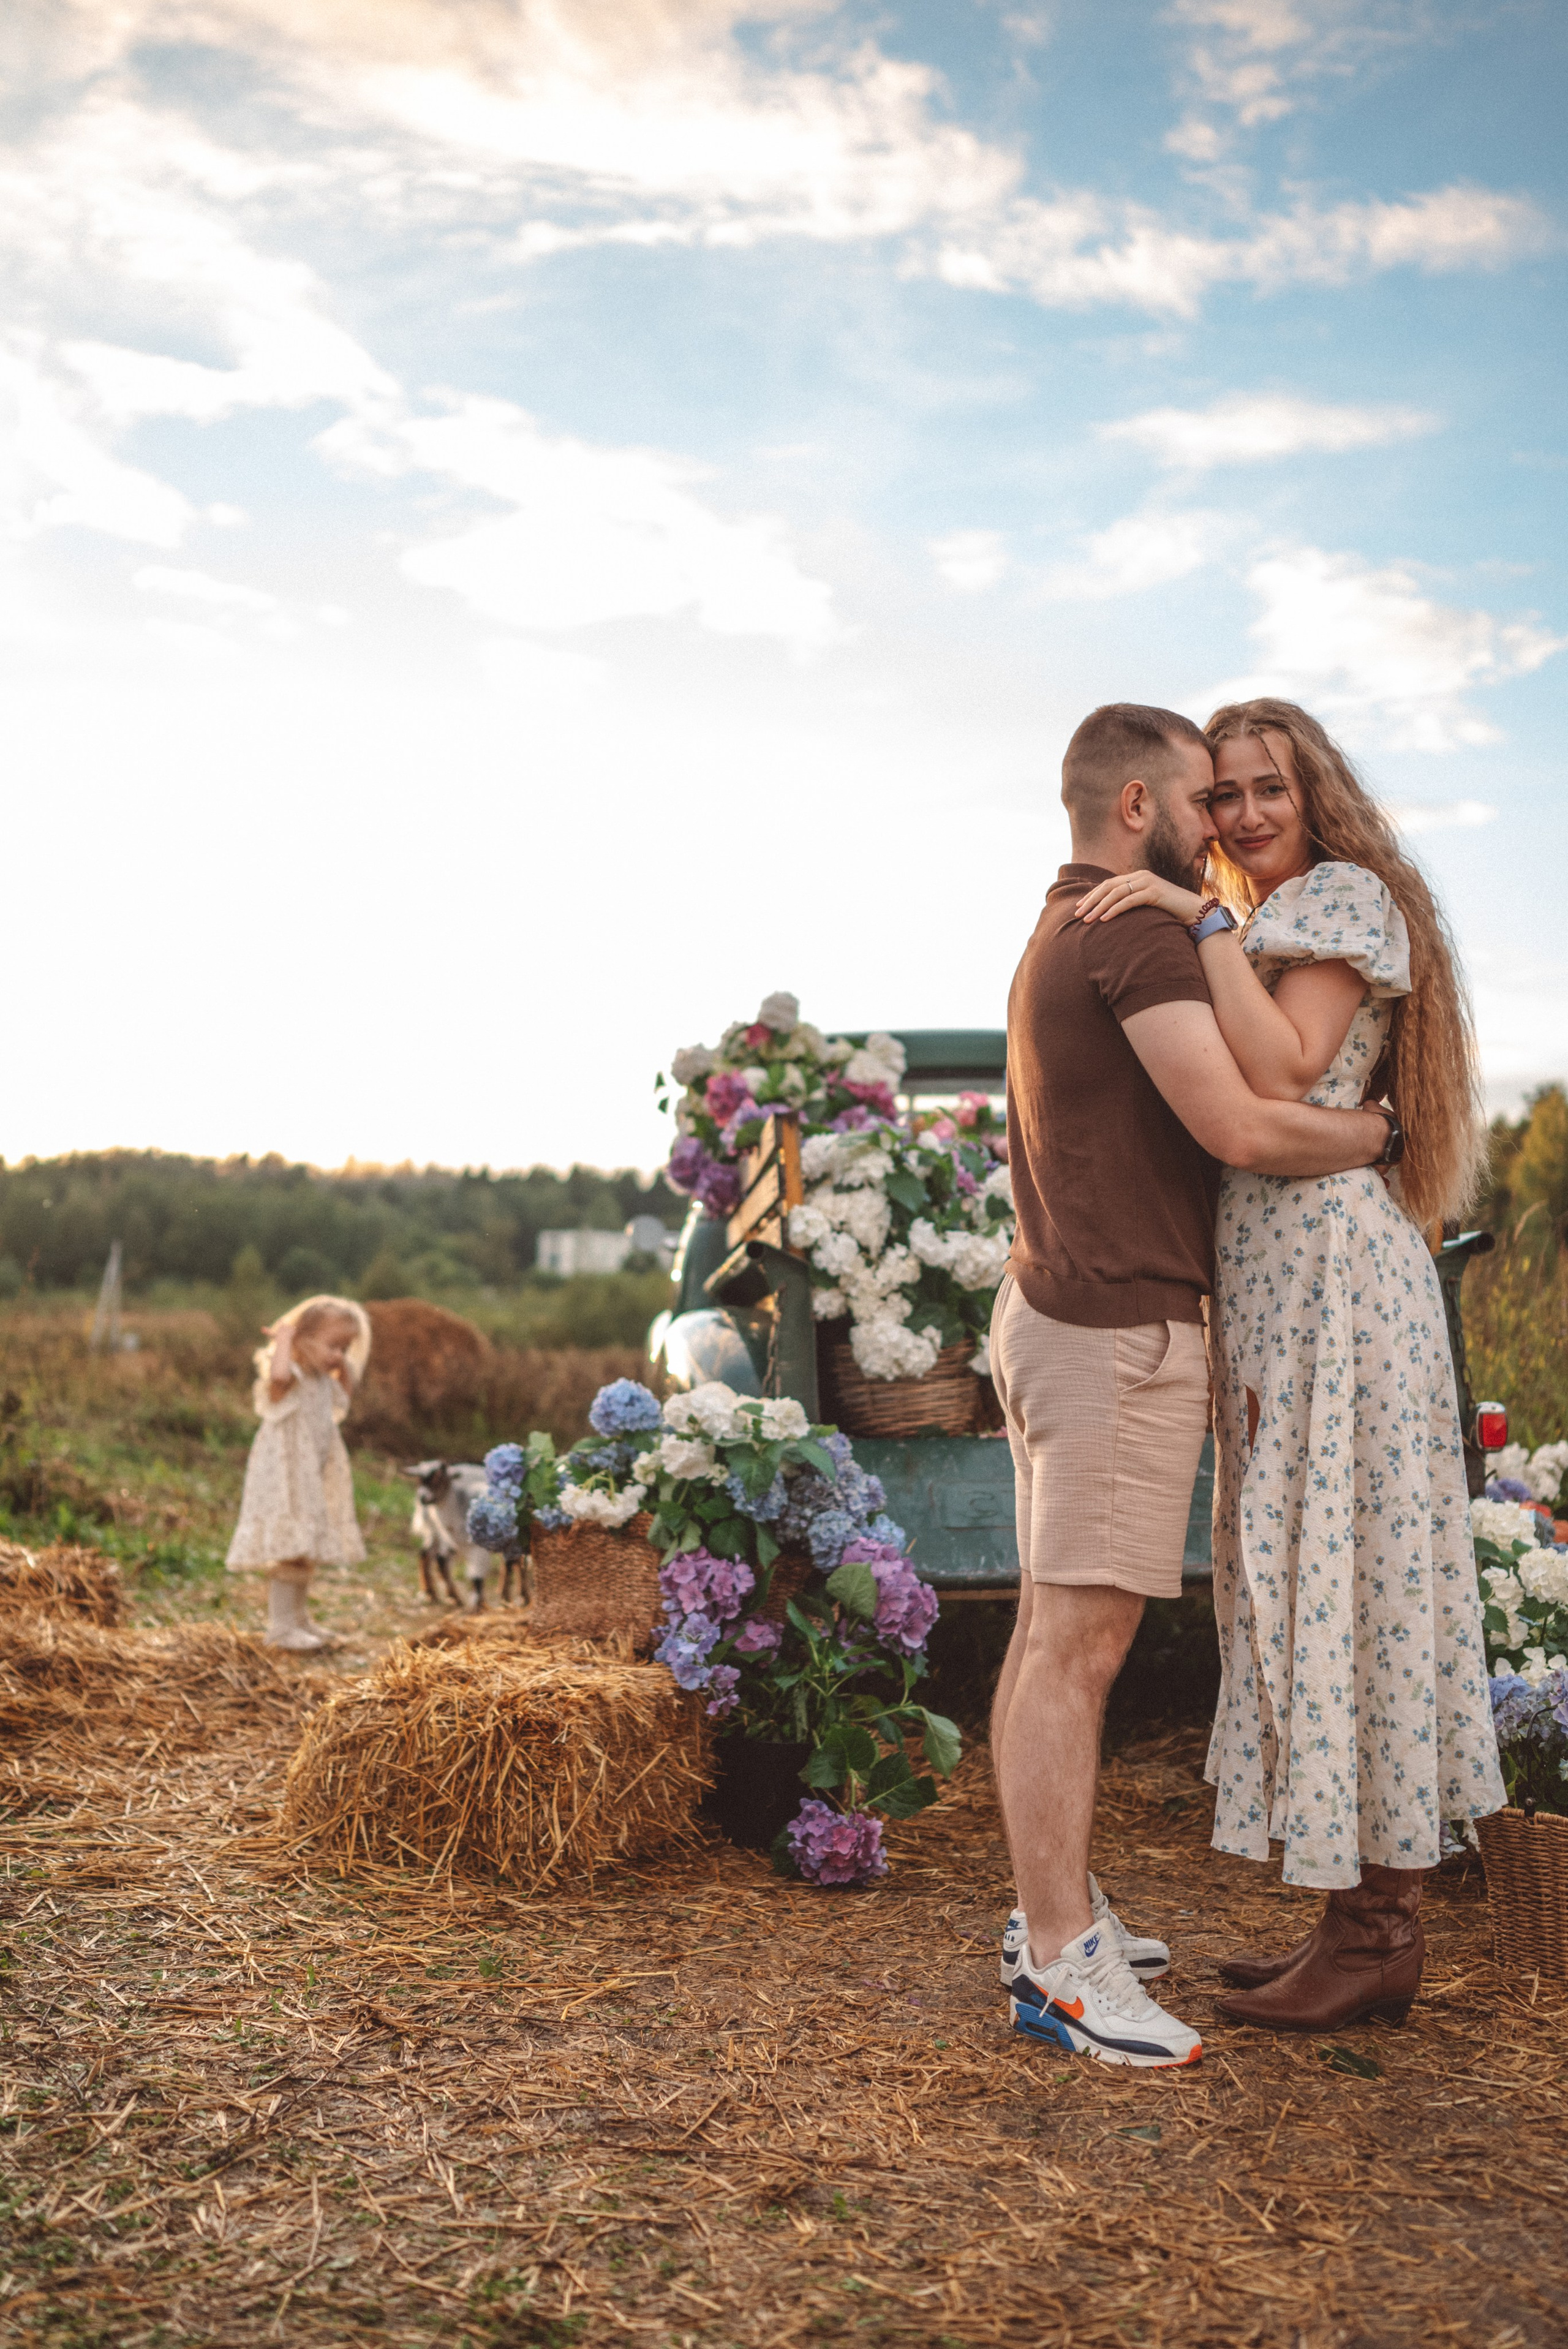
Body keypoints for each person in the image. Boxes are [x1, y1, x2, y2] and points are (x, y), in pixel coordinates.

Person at [1074, 698, 1504, 2032]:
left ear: (1312, 794)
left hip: (1332, 1280)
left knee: (1347, 1577)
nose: (1243, 814)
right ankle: (1352, 1920)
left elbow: (1286, 1064)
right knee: (1311, 1577)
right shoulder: (1265, 919)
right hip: (1282, 1283)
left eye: (1267, 787)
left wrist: (1196, 925)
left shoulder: (1338, 901)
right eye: (1222, 795)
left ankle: (1377, 1930)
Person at [990, 702, 1393, 2070]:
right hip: (1114, 1327)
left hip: (1052, 1307)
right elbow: (1237, 1122)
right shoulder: (1141, 925)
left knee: (1049, 1633)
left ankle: (1050, 1908)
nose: (1213, 825)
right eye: (1197, 799)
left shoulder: (1061, 921)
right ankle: (1061, 1965)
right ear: (1134, 810)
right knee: (1076, 1649)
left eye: (1241, 799)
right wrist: (1377, 1130)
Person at [225, 1295, 372, 1650]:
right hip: (285, 1476)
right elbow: (276, 1376)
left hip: (310, 1476)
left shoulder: (322, 1380)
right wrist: (284, 1341)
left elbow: (344, 1403)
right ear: (304, 1339)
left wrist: (345, 1368)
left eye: (346, 1347)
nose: (339, 1355)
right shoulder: (289, 1377)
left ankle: (300, 1620)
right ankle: (280, 1627)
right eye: (333, 1346)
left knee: (304, 1547)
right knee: (291, 1547)